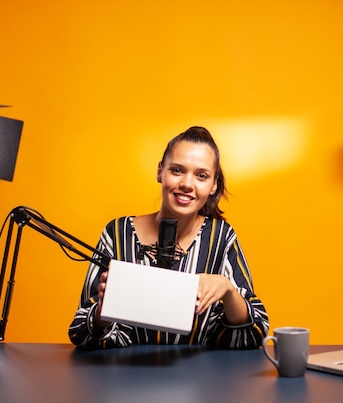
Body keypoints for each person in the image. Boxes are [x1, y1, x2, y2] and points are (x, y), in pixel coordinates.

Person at [68, 126, 269, 349]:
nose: (187, 184)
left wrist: (228, 290)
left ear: (213, 185)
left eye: (201, 176)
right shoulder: (117, 233)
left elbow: (256, 332)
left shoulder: (221, 237)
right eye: (177, 170)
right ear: (160, 171)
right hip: (124, 376)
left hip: (200, 378)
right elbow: (81, 332)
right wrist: (104, 310)